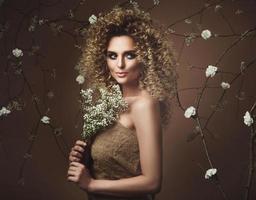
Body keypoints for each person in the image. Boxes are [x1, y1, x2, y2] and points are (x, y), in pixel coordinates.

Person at [67, 4, 178, 200]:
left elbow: (152, 182)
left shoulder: (144, 105)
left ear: (145, 58)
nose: (120, 64)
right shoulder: (111, 102)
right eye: (112, 55)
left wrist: (91, 184)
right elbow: (112, 167)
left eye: (129, 55)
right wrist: (84, 159)